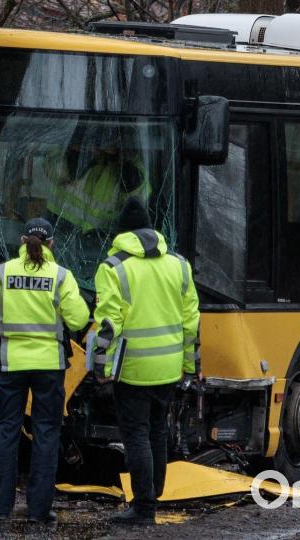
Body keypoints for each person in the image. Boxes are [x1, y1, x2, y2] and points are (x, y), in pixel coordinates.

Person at [0, 217, 90, 525]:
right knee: (47, 434)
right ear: (51, 244)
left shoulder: (1, 273)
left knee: (7, 432)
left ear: (22, 241)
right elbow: (78, 320)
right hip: (49, 367)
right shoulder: (61, 276)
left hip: (10, 366)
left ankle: (0, 509)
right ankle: (39, 509)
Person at [92, 198, 200, 525]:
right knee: (157, 429)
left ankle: (143, 508)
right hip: (168, 368)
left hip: (134, 368)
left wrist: (101, 366)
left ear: (122, 231)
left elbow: (109, 324)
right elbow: (190, 321)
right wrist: (189, 365)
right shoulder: (178, 264)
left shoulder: (113, 268)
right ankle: (155, 492)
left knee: (136, 434)